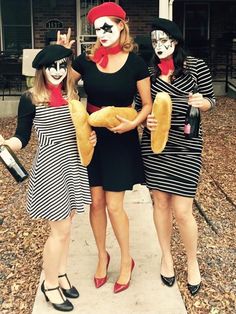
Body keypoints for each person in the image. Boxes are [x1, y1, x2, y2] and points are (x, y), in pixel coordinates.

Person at [57, 2, 152, 293]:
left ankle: (126, 260)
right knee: (95, 203)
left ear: (122, 25)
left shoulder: (136, 62)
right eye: (97, 29)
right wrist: (63, 54)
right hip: (92, 137)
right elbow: (62, 89)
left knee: (114, 206)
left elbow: (146, 104)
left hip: (121, 137)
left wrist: (133, 123)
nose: (102, 33)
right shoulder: (87, 60)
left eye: (107, 27)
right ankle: (102, 256)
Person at [0, 44, 96, 311]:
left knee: (68, 228)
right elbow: (22, 136)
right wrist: (8, 144)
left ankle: (62, 274)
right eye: (51, 67)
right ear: (42, 70)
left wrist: (91, 137)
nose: (57, 71)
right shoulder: (30, 97)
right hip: (51, 169)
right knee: (60, 231)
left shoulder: (72, 93)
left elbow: (81, 128)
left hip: (74, 165)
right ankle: (50, 284)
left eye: (62, 66)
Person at [135, 18, 216, 296]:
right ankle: (166, 257)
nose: (159, 46)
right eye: (154, 41)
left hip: (187, 146)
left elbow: (211, 100)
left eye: (164, 40)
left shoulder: (196, 67)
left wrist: (202, 103)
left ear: (176, 40)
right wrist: (146, 123)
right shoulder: (148, 71)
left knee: (182, 211)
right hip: (156, 149)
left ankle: (192, 262)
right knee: (160, 204)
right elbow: (140, 109)